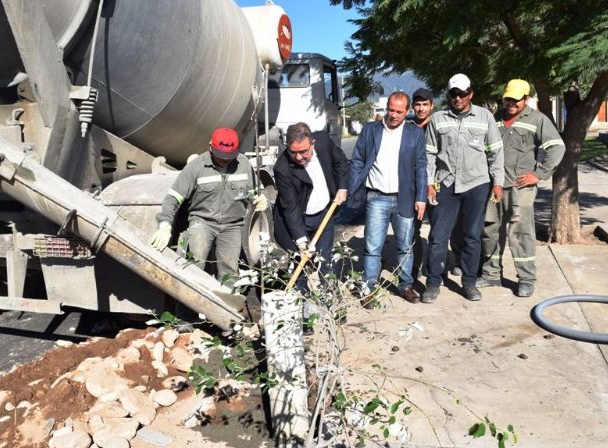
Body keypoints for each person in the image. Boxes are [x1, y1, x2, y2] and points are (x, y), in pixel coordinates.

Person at [477, 79, 565, 297]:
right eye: (508, 99)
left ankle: (526, 278)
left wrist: (539, 174)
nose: (511, 104)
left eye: (516, 100)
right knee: (490, 231)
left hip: (520, 188)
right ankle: (491, 274)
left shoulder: (537, 120)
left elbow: (557, 147)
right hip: (495, 186)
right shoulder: (495, 118)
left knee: (520, 232)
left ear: (525, 99)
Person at [150, 127, 267, 286]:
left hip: (232, 225)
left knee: (230, 272)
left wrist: (262, 198)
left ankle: (228, 307)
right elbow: (173, 198)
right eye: (221, 157)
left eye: (229, 157)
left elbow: (256, 191)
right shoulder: (196, 167)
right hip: (202, 222)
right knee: (193, 266)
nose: (225, 161)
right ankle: (187, 308)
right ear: (210, 147)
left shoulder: (244, 164)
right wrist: (164, 224)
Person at [423, 74, 504, 303]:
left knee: (471, 236)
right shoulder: (437, 119)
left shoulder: (485, 117)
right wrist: (429, 183)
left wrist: (498, 182)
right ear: (448, 95)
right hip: (445, 185)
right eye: (453, 94)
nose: (458, 98)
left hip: (476, 184)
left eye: (462, 93)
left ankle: (469, 282)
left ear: (471, 94)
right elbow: (429, 154)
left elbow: (496, 152)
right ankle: (432, 283)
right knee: (438, 237)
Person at [348, 91, 427, 305]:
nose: (393, 115)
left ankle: (405, 285)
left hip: (405, 198)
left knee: (405, 246)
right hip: (377, 197)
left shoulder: (415, 134)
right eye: (390, 110)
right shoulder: (370, 130)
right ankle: (369, 288)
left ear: (407, 112)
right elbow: (357, 160)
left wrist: (421, 197)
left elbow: (421, 167)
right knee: (373, 247)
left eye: (398, 112)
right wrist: (354, 188)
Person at [273, 122, 349, 283]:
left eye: (303, 152)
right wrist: (301, 240)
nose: (299, 157)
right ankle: (301, 300)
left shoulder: (323, 141)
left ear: (312, 143)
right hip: (299, 219)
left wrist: (342, 187)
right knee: (301, 263)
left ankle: (328, 297)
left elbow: (341, 162)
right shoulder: (282, 168)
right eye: (293, 152)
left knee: (325, 259)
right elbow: (291, 207)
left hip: (324, 214)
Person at [409, 88, 435, 282]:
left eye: (425, 104)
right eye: (417, 104)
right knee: (412, 230)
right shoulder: (407, 128)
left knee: (439, 229)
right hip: (414, 186)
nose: (421, 108)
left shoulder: (438, 125)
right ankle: (415, 266)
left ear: (431, 106)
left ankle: (435, 267)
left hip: (436, 185)